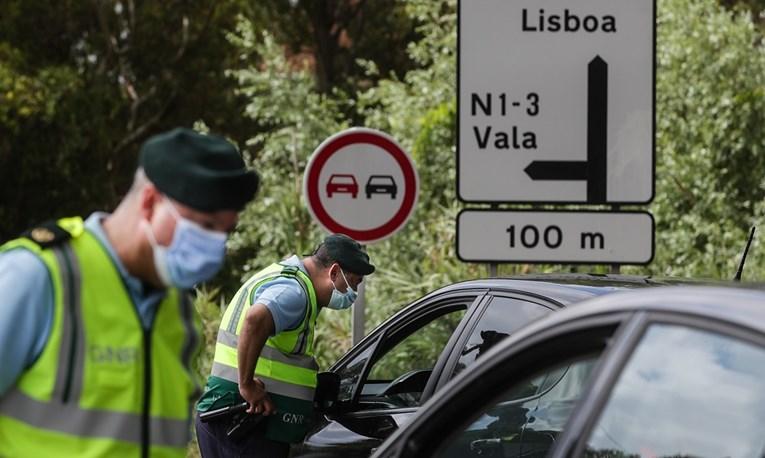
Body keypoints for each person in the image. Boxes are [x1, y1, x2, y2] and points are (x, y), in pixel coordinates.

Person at [0, 127, 259, 457]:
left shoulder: (177, 311)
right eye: (206, 225)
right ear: (150, 202)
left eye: (225, 231)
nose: (216, 246)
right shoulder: (37, 276)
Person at [195, 233, 375, 458]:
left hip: (234, 418)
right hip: (242, 420)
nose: (353, 294)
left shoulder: (289, 279)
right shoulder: (294, 292)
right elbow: (255, 320)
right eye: (354, 284)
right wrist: (247, 385)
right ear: (335, 272)